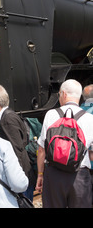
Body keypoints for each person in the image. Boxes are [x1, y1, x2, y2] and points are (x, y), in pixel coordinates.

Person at [35, 79, 93, 208]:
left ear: (64, 94)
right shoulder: (90, 119)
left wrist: (40, 174)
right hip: (79, 175)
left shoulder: (51, 114)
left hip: (54, 174)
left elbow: (42, 150)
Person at [0, 85, 32, 191]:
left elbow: (16, 149)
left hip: (19, 174)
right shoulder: (9, 116)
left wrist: (16, 179)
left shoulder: (7, 120)